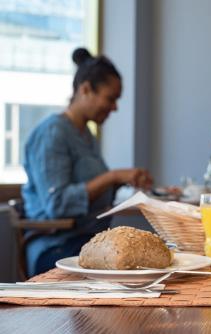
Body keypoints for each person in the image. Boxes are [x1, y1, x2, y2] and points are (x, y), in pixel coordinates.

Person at [22, 48, 153, 277]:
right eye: (111, 98)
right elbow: (57, 204)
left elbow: (92, 193)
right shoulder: (53, 133)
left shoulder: (85, 135)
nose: (115, 107)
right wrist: (112, 177)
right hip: (57, 247)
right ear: (85, 89)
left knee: (155, 260)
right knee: (139, 270)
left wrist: (124, 182)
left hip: (88, 241)